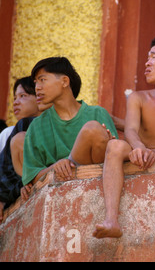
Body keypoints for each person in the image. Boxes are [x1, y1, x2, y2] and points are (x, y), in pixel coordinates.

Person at [93, 35, 155, 239]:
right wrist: (139, 147)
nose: (147, 63)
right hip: (142, 153)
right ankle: (111, 219)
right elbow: (130, 130)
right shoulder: (139, 98)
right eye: (147, 57)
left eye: (154, 57)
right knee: (115, 146)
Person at [21, 57, 118, 198]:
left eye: (42, 80)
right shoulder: (36, 127)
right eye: (35, 83)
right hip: (60, 195)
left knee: (93, 130)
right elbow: (33, 177)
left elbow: (114, 157)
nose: (37, 87)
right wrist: (56, 166)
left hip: (100, 191)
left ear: (65, 81)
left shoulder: (97, 113)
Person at [0, 77, 41, 152]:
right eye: (15, 98)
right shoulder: (9, 133)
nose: (15, 102)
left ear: (39, 97)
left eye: (22, 96)